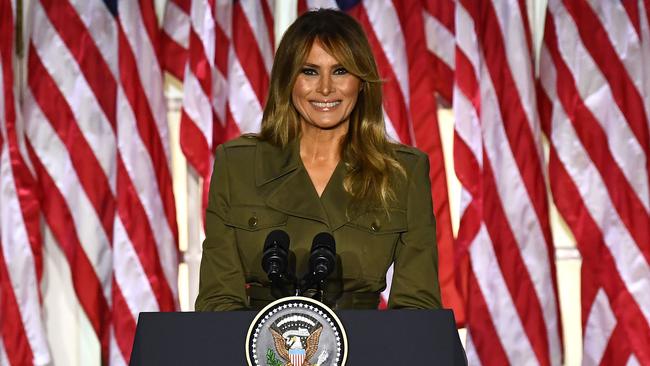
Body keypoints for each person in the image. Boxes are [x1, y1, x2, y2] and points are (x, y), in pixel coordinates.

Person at [195, 8, 440, 311]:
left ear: (361, 82)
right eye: (309, 71)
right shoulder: (237, 166)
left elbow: (417, 310)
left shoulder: (403, 172)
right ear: (288, 80)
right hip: (258, 350)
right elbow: (217, 300)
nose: (325, 88)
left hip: (366, 349)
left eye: (340, 71)